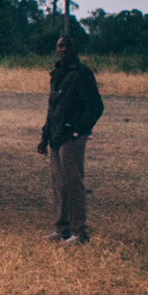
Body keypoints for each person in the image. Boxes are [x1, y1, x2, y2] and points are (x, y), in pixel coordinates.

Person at [37, 34, 103, 245]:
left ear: (76, 49)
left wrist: (77, 131)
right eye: (60, 45)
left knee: (74, 183)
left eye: (68, 45)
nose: (63, 49)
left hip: (72, 137)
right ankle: (61, 230)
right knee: (59, 183)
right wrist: (44, 135)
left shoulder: (82, 74)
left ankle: (80, 232)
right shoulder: (57, 73)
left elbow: (96, 107)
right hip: (56, 135)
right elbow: (52, 106)